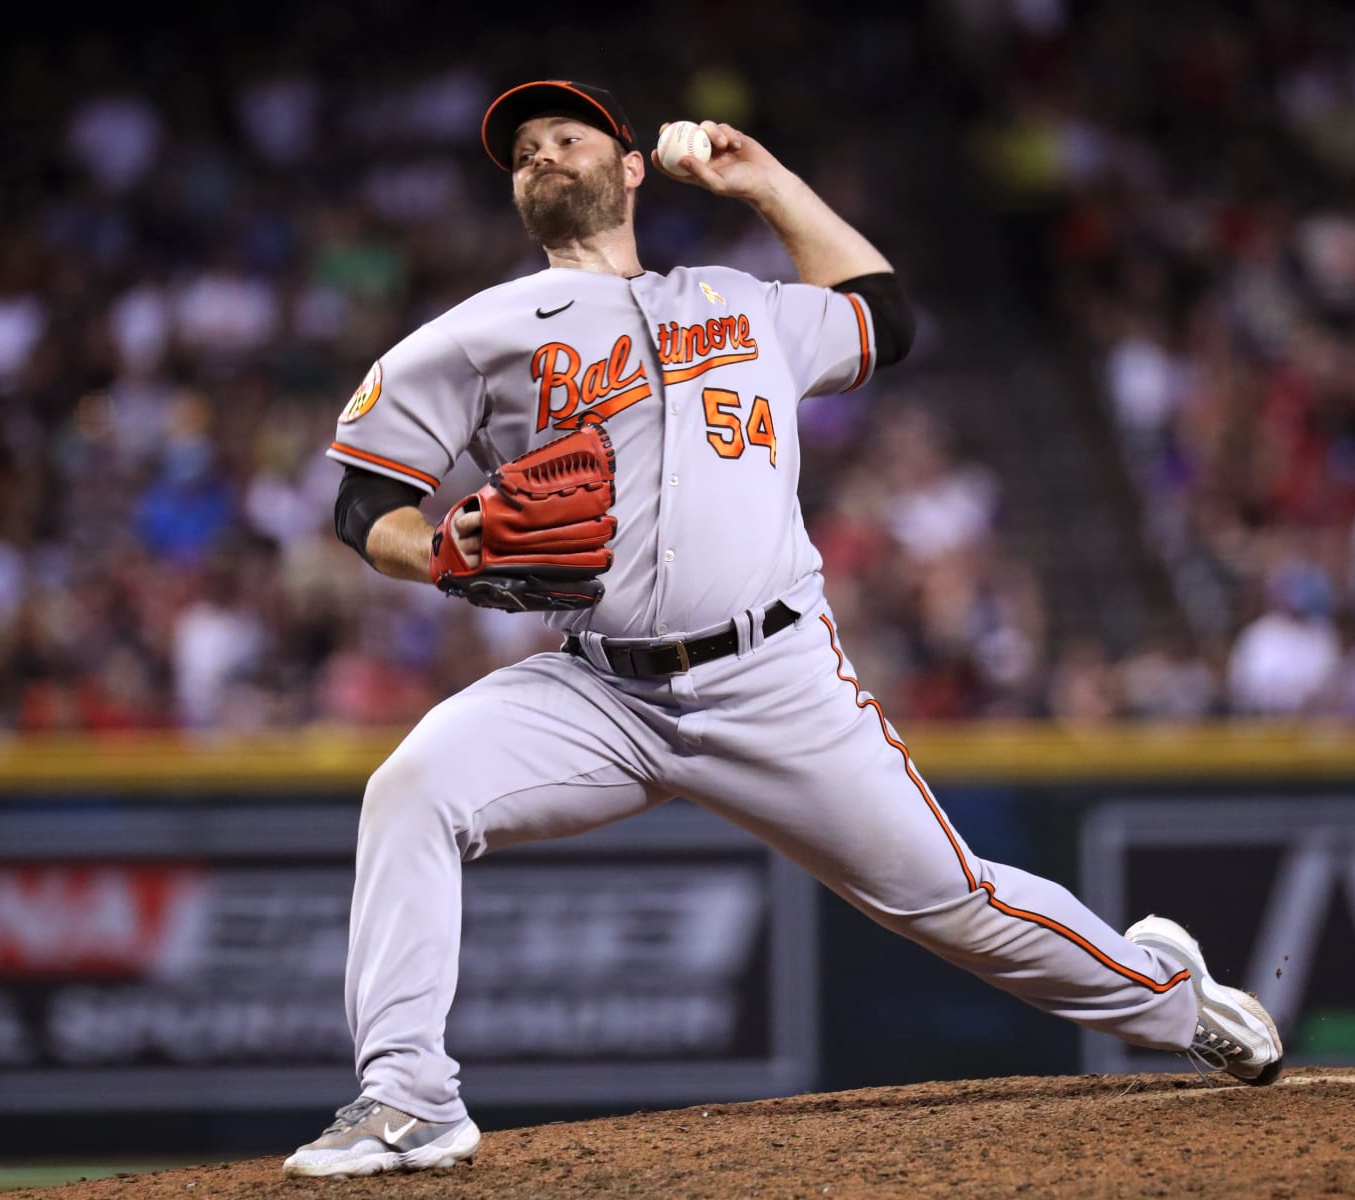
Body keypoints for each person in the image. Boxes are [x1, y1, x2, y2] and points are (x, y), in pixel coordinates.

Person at [284, 80, 1283, 1179]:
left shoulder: (743, 302)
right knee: (413, 787)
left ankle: (1172, 994)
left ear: (629, 169)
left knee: (953, 902)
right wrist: (433, 555)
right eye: (522, 149)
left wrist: (763, 181)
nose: (541, 153)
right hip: (596, 691)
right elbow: (364, 504)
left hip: (774, 677)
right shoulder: (479, 332)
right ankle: (408, 1099)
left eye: (568, 136)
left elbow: (883, 316)